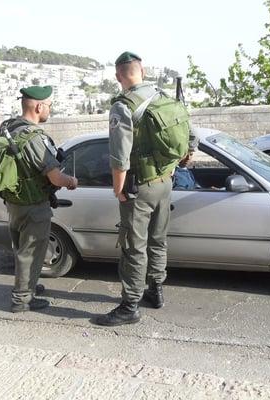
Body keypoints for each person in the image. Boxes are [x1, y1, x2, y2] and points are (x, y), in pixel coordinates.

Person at [95, 51, 177, 326]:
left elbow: (119, 156)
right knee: (158, 239)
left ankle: (130, 305)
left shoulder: (124, 106)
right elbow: (190, 138)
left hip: (139, 187)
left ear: (119, 75)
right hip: (165, 182)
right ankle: (156, 290)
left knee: (133, 246)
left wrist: (119, 189)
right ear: (141, 71)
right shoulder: (166, 98)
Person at [2, 85, 78, 313]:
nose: (49, 110)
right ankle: (22, 299)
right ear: (38, 106)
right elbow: (55, 178)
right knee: (32, 252)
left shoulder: (9, 128)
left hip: (14, 202)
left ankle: (28, 286)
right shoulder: (34, 137)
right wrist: (71, 181)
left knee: (23, 250)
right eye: (49, 105)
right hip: (33, 205)